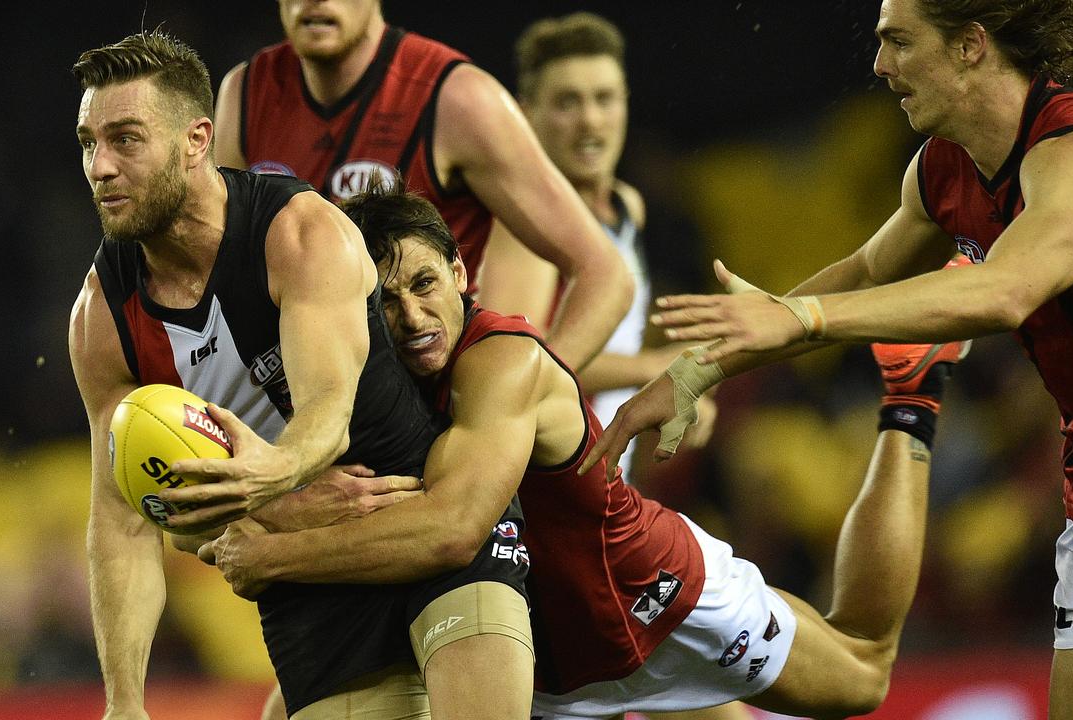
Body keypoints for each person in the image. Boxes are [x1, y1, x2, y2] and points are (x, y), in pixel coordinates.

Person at [198, 183, 968, 719]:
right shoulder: (364, 381)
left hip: (652, 599)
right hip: (542, 665)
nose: (411, 316)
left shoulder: (501, 361)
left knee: (862, 673)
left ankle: (909, 394)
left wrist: (273, 557)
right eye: (386, 300)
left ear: (462, 273)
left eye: (426, 284)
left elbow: (452, 528)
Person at [589, 2, 1073, 718]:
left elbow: (1005, 292)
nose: (880, 67)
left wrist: (802, 314)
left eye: (900, 43)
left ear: (972, 46)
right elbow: (864, 272)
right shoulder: (943, 170)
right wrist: (700, 368)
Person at [67, 31, 532, 720]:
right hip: (303, 591)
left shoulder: (300, 233)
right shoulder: (102, 317)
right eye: (87, 143)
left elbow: (327, 413)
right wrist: (124, 702)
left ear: (197, 140)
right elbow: (121, 516)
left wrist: (269, 481)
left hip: (415, 526)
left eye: (126, 139)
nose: (101, 166)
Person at [211, 0, 634, 373]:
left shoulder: (457, 97)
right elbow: (215, 278)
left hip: (427, 411)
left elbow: (605, 274)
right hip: (301, 399)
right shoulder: (244, 91)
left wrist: (529, 399)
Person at [505, 11, 715, 482]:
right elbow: (511, 370)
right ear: (524, 112)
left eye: (604, 98)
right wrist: (657, 369)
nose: (590, 120)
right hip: (542, 484)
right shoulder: (524, 223)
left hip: (605, 477)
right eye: (567, 102)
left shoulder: (627, 205)